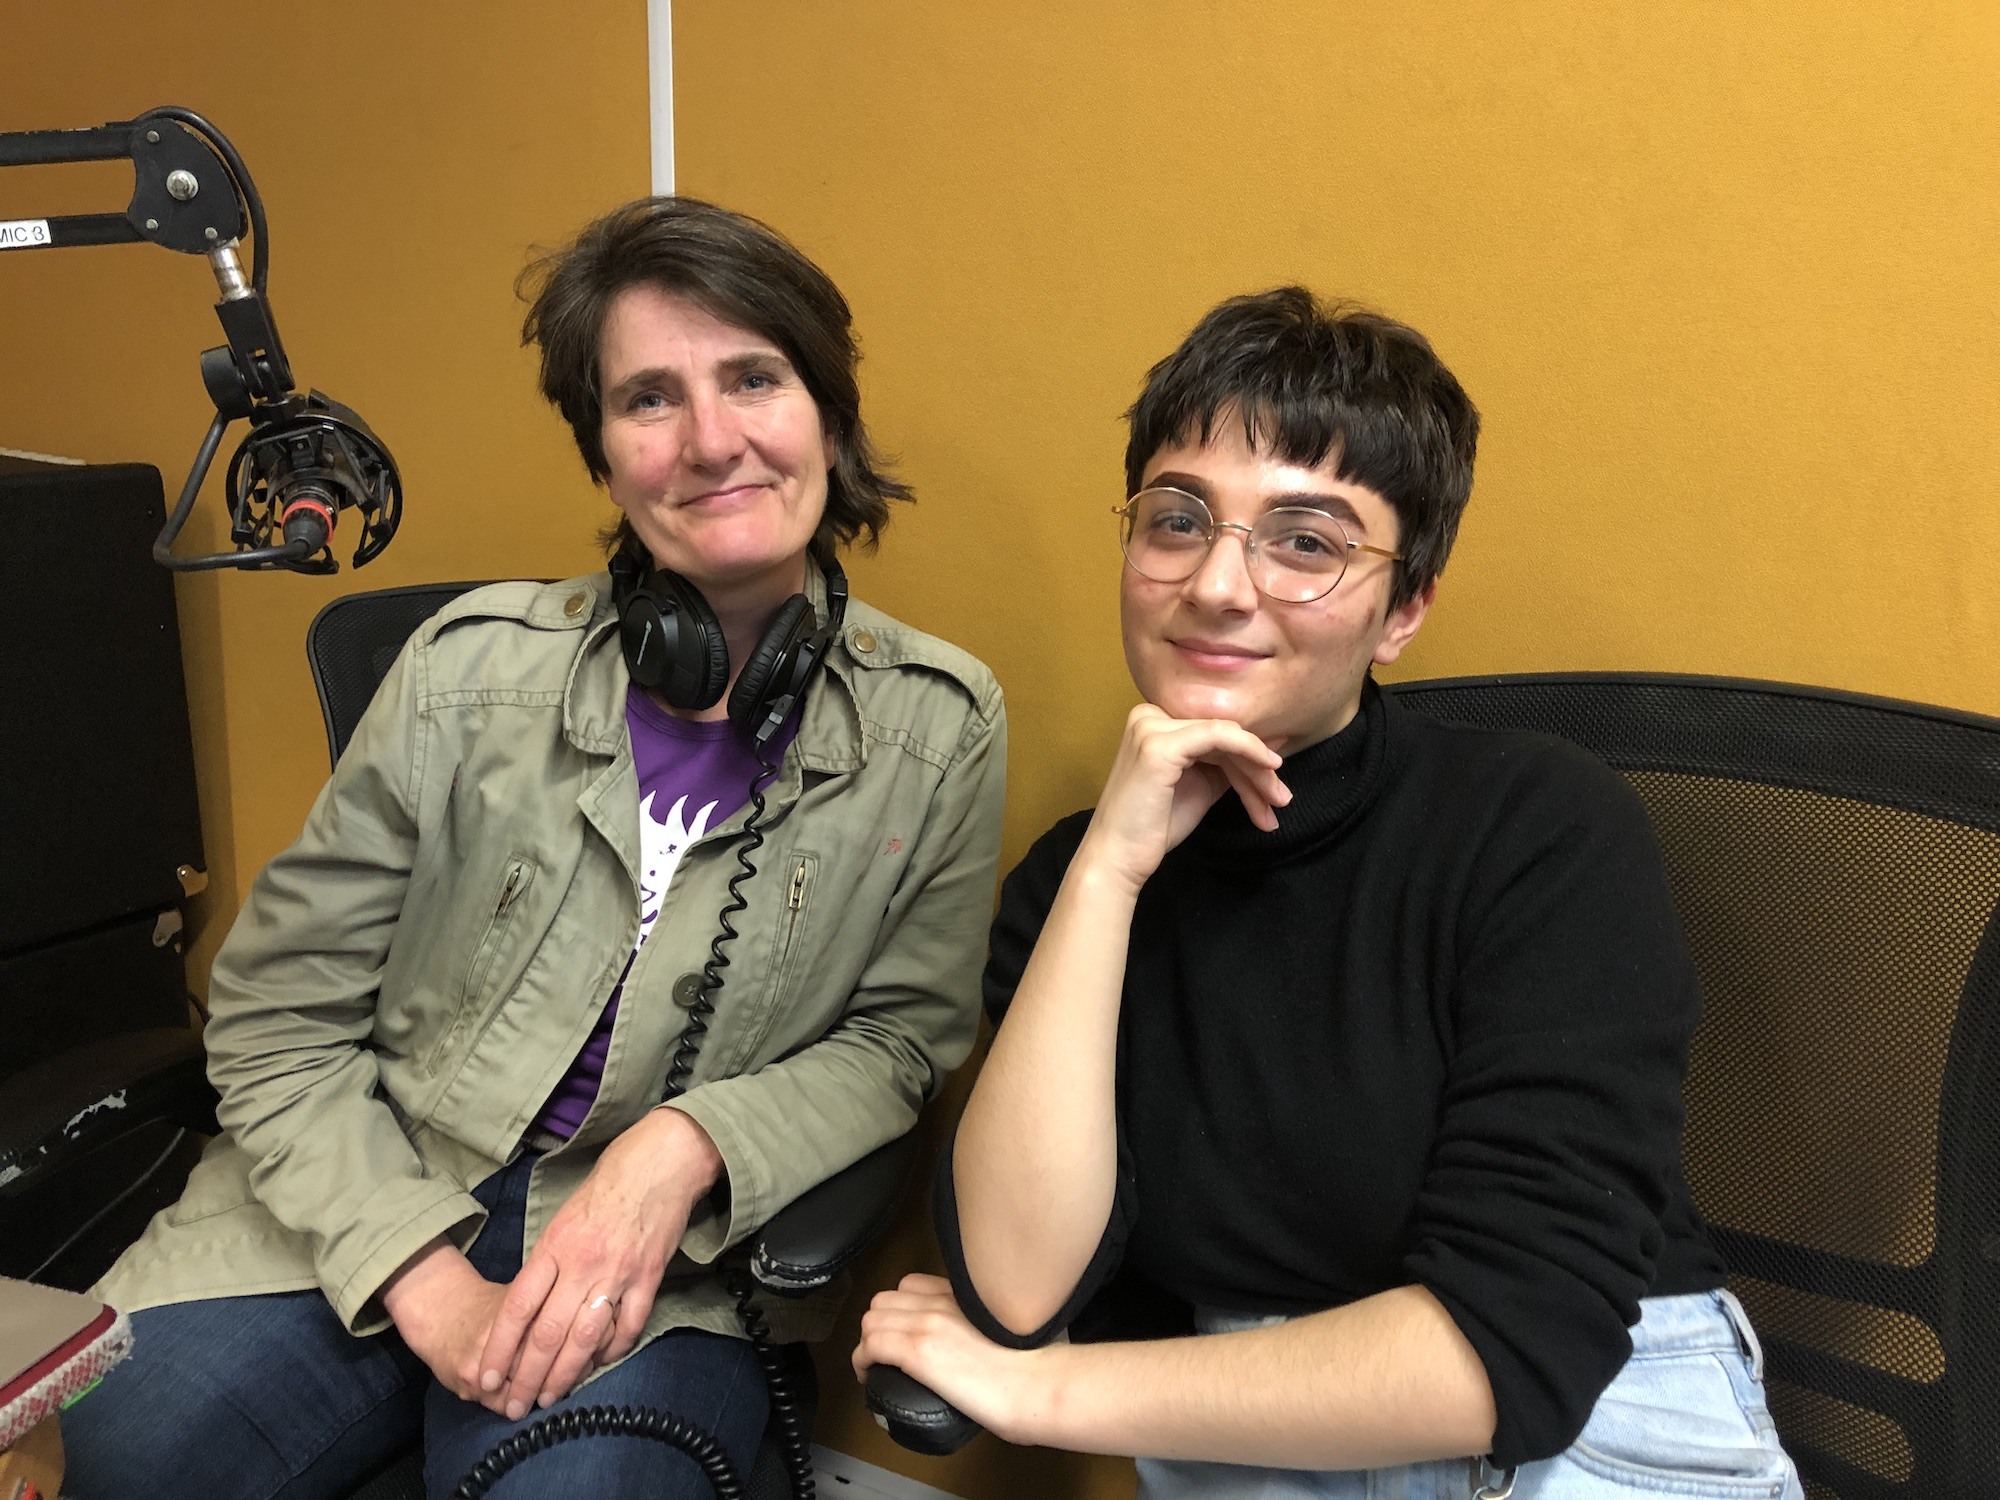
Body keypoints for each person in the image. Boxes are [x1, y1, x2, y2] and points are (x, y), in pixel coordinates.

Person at [63, 197, 1007, 1499]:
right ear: (603, 451)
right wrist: (415, 1264)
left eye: (753, 379)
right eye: (650, 400)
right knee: (101, 1458)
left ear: (828, 416)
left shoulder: (936, 724)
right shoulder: (468, 677)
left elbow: (899, 1044)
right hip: (348, 1200)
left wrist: (678, 1148)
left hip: (662, 1272)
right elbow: (278, 1012)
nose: (712, 440)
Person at [854, 288, 1802, 1500]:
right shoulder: (1073, 881)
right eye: (1175, 519)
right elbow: (1018, 1283)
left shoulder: (1537, 827)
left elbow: (1506, 1356)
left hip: (1591, 1425)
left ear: (1402, 608)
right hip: (1244, 1436)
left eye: (1305, 540)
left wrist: (1043, 1398)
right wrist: (1110, 869)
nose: (1215, 585)